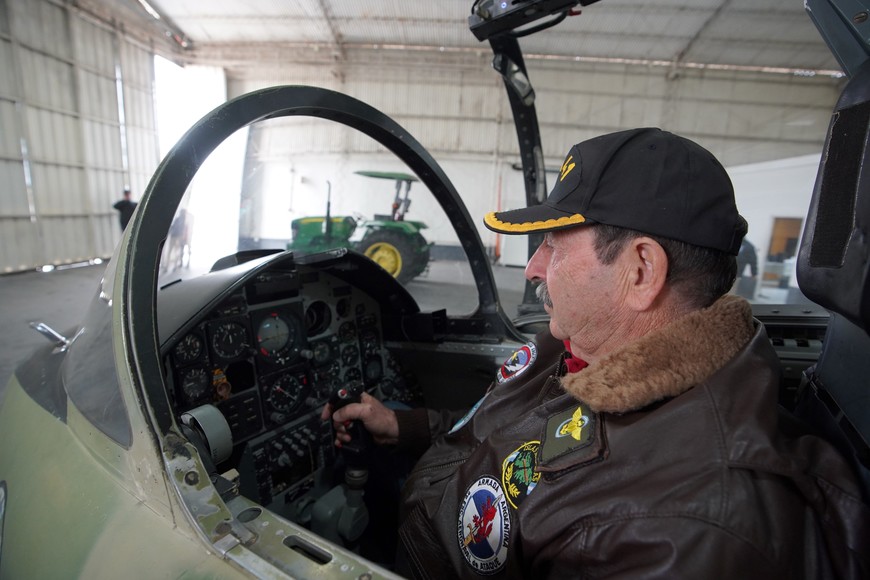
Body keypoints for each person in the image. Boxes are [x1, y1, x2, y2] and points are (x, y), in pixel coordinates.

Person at [323, 128, 869, 578]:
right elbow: (509, 436)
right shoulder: (581, 345)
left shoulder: (683, 531)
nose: (533, 268)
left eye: (554, 245)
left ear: (641, 271)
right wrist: (404, 426)